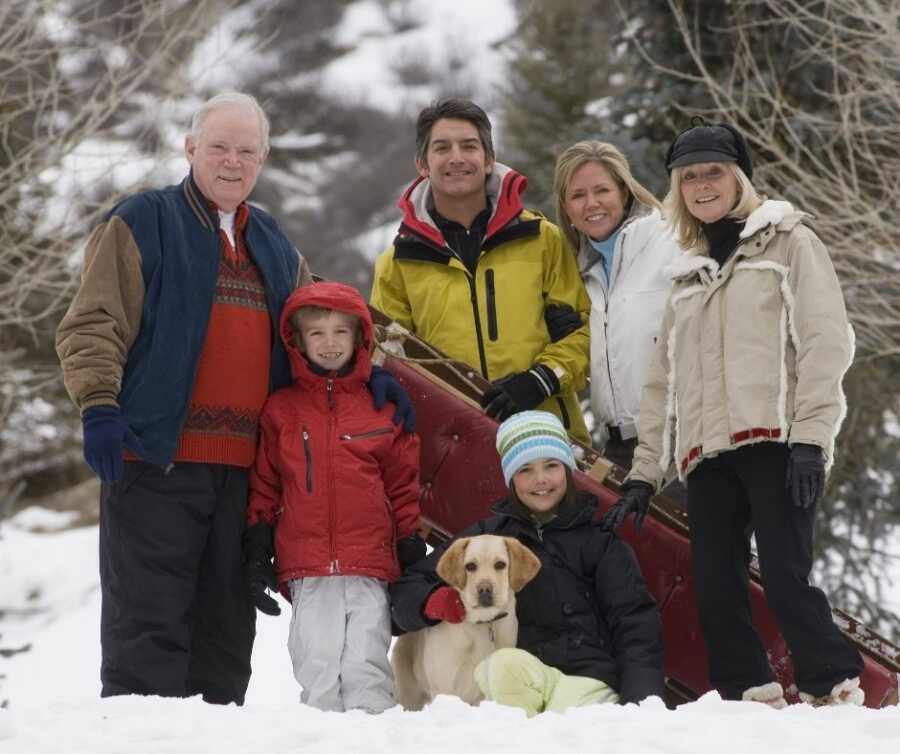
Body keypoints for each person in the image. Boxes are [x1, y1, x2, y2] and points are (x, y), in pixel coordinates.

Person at [55, 92, 413, 706]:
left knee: (224, 635)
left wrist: (368, 365)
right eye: (218, 147)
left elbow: (321, 316)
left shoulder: (271, 241)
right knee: (149, 626)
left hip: (246, 474)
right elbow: (92, 324)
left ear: (263, 159)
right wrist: (100, 407)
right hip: (155, 460)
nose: (231, 161)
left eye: (246, 151)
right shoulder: (143, 221)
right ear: (190, 149)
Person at [604, 119, 865, 707]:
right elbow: (662, 385)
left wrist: (811, 439)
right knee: (717, 590)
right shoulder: (688, 274)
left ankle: (834, 692)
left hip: (776, 443)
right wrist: (646, 472)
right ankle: (750, 703)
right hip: (707, 456)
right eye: (689, 176)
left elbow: (826, 341)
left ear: (738, 176)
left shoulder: (789, 241)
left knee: (783, 578)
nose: (701, 185)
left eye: (713, 172)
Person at [391, 411, 665, 717]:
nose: (541, 480)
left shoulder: (600, 543)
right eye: (525, 470)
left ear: (567, 470)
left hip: (587, 679)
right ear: (510, 478)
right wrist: (432, 602)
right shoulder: (487, 538)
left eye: (551, 465)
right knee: (499, 675)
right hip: (519, 680)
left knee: (569, 731)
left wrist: (641, 706)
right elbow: (404, 595)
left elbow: (635, 624)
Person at [243, 281, 424, 713]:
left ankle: (374, 738)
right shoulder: (281, 409)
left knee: (367, 663)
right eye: (316, 333)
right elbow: (266, 482)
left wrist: (409, 540)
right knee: (316, 662)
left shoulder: (381, 408)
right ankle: (322, 737)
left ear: (360, 338)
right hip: (305, 563)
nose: (329, 343)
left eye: (340, 332)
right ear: (298, 341)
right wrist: (257, 538)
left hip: (370, 560)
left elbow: (402, 483)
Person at [370, 98, 592, 444]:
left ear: (489, 159)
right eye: (442, 148)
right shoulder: (398, 264)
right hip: (454, 449)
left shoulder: (543, 240)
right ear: (422, 164)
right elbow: (393, 363)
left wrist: (541, 379)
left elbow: (584, 333)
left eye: (469, 146)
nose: (456, 157)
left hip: (551, 443)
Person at [553, 140, 679, 468]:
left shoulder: (672, 243)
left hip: (678, 438)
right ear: (566, 208)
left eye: (602, 190)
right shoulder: (579, 274)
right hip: (619, 446)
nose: (591, 203)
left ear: (624, 192)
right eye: (578, 196)